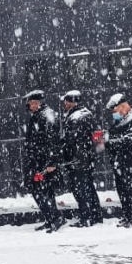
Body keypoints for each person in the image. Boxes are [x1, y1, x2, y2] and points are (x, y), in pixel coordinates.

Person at [97, 93, 132, 227]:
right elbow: (115, 134)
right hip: (121, 162)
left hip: (131, 161)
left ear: (123, 107)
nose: (114, 115)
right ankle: (128, 216)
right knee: (123, 190)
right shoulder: (123, 120)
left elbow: (129, 141)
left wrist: (108, 142)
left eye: (115, 111)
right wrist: (104, 136)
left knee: (131, 191)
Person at [23, 90, 65, 232]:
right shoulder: (39, 116)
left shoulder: (47, 115)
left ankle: (55, 218)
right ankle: (50, 218)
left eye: (31, 103)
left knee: (41, 191)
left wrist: (52, 162)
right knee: (44, 191)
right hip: (38, 160)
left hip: (43, 161)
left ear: (37, 103)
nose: (29, 106)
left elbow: (53, 140)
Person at [60, 90, 103, 227]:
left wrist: (62, 145)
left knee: (80, 189)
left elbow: (72, 139)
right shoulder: (84, 114)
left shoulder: (77, 116)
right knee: (88, 187)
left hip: (78, 159)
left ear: (72, 102)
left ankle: (87, 217)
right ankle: (95, 215)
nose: (65, 104)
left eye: (66, 102)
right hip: (85, 158)